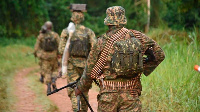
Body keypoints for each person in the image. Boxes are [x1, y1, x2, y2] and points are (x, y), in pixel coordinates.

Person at [75, 6, 165, 112]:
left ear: (108, 22)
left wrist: (80, 88)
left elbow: (89, 71)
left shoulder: (100, 42)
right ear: (123, 19)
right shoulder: (138, 37)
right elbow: (159, 55)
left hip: (108, 95)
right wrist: (141, 67)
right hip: (131, 95)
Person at [58, 4, 97, 112]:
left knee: (73, 90)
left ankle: (76, 109)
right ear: (82, 17)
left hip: (71, 65)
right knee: (84, 90)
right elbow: (95, 49)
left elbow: (61, 50)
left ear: (72, 17)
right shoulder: (89, 32)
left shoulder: (66, 32)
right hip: (85, 65)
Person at [34, 21, 60, 94]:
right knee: (54, 70)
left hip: (45, 56)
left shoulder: (42, 36)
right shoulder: (55, 35)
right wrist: (59, 54)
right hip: (54, 56)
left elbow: (36, 47)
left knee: (47, 71)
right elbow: (60, 45)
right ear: (51, 27)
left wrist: (36, 54)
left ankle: (48, 87)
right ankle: (54, 81)